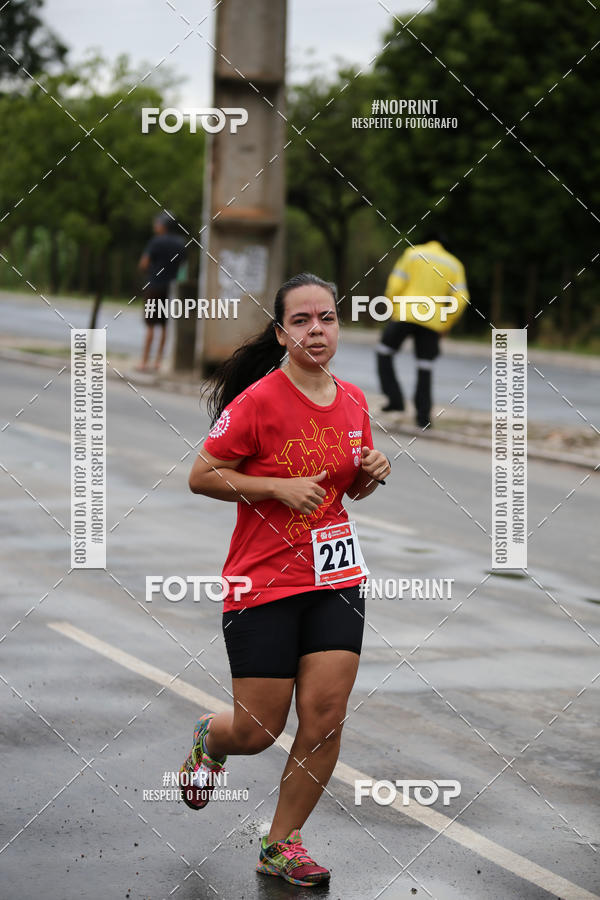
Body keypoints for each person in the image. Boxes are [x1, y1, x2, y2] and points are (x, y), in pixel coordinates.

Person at [179, 272, 391, 886]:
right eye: (300, 321)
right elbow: (202, 474)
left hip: (335, 577)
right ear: (281, 333)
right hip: (263, 582)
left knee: (325, 715)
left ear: (338, 325)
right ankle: (212, 738)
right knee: (259, 729)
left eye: (325, 317)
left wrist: (369, 472)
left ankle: (282, 843)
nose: (315, 329)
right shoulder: (258, 402)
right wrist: (273, 484)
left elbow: (343, 489)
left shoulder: (353, 400)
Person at [376, 232, 469, 428]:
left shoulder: (412, 253)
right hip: (433, 320)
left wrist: (393, 306)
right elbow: (461, 299)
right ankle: (423, 417)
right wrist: (447, 322)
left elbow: (395, 284)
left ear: (428, 241)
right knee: (425, 367)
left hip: (406, 312)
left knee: (384, 352)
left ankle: (395, 400)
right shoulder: (454, 264)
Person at [136, 212, 186, 371]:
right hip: (171, 289)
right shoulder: (181, 243)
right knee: (164, 325)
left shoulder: (155, 242)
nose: (155, 226)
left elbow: (143, 264)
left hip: (154, 287)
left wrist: (150, 271)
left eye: (157, 223)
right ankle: (158, 361)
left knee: (151, 325)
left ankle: (144, 362)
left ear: (164, 225)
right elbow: (183, 266)